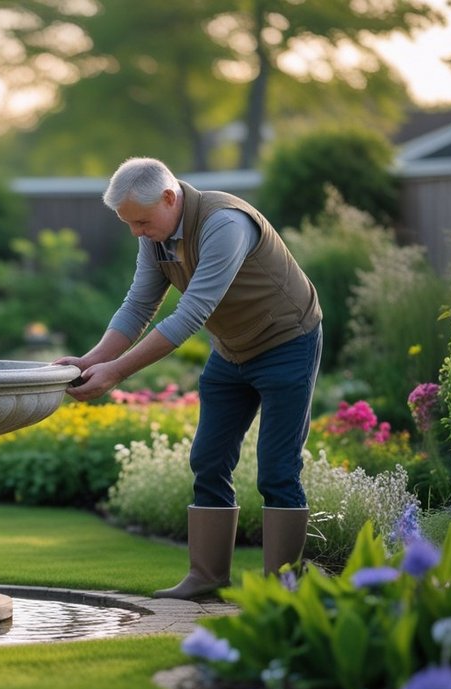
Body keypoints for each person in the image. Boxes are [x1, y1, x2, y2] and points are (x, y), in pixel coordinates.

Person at [56, 157, 322, 599]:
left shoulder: (226, 224)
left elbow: (191, 313)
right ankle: (207, 576)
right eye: (128, 223)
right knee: (208, 459)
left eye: (141, 221)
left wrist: (116, 372)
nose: (136, 232)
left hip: (287, 343)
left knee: (278, 470)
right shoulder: (156, 236)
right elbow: (139, 304)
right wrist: (91, 360)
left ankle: (284, 588)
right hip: (231, 349)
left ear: (169, 198)